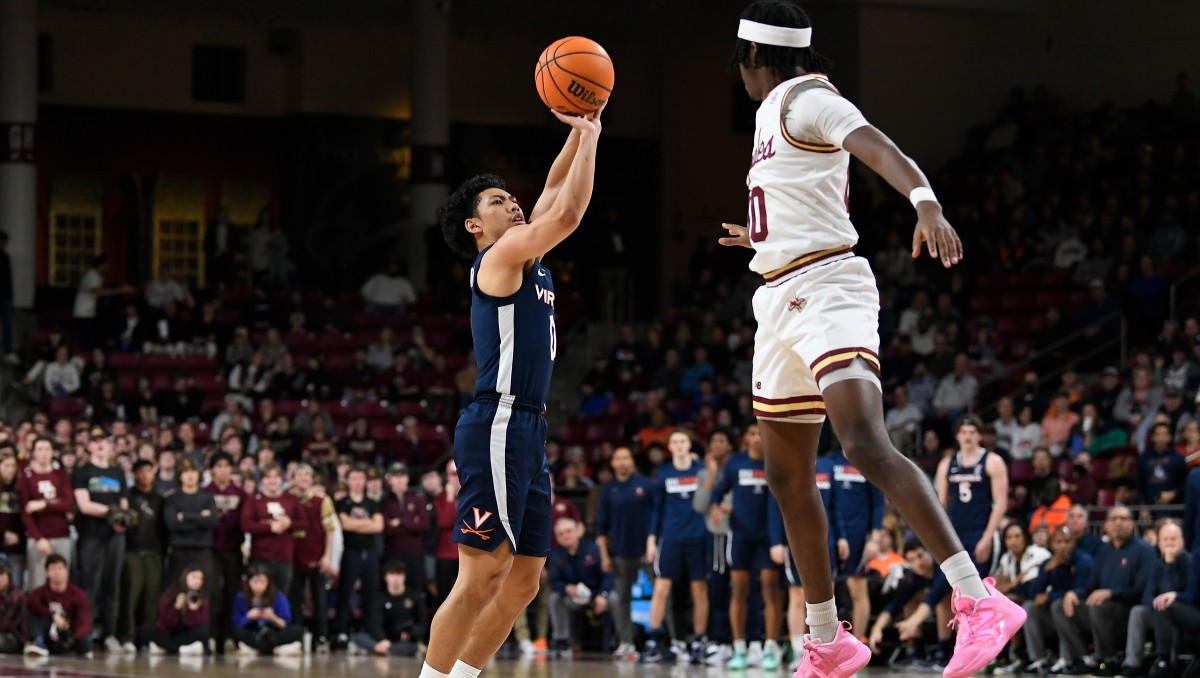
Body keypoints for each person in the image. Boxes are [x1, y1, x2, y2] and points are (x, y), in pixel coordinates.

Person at [719, 3, 1023, 677]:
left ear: (752, 60)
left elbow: (879, 146)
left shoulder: (809, 99)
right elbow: (802, 191)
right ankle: (828, 640)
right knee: (785, 474)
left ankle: (979, 601)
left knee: (862, 441)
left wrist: (925, 202)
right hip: (777, 294)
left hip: (828, 287)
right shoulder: (772, 115)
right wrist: (761, 237)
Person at [420, 99, 604, 678]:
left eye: (509, 195)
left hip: (528, 426)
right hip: (497, 421)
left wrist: (577, 132)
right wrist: (595, 136)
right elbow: (569, 211)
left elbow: (552, 187)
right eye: (497, 201)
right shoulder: (499, 257)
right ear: (476, 225)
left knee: (523, 581)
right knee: (481, 575)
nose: (513, 202)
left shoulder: (528, 253)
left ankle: (465, 676)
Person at [711, 425, 784, 670]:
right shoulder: (735, 464)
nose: (756, 438)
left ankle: (770, 647)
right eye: (752, 434)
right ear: (746, 438)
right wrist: (715, 508)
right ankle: (739, 648)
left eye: (761, 434)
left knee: (769, 587)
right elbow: (717, 493)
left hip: (767, 536)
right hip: (740, 535)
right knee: (739, 590)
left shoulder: (775, 463)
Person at [1057, 505, 1156, 677]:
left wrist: (1111, 593)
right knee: (1059, 606)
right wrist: (1074, 593)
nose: (1118, 522)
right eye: (1113, 519)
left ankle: (1108, 659)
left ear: (1132, 524)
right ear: (1106, 525)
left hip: (1129, 611)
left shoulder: (1144, 550)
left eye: (1123, 518)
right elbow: (1091, 587)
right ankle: (1085, 658)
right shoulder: (1103, 551)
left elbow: (1142, 590)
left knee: (1098, 606)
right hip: (1101, 612)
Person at [644, 430, 709, 663]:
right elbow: (656, 510)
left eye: (683, 441)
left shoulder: (702, 470)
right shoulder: (664, 474)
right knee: (661, 588)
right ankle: (653, 639)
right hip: (670, 538)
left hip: (699, 537)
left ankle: (699, 639)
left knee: (698, 589)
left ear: (689, 444)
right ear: (670, 447)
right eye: (675, 442)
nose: (679, 445)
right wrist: (652, 540)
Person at [594, 445, 653, 660]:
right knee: (621, 599)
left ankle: (660, 640)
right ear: (612, 463)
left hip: (647, 551)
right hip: (620, 552)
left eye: (626, 457)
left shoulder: (646, 485)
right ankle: (626, 642)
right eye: (618, 458)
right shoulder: (608, 490)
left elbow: (656, 517)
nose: (622, 462)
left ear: (633, 462)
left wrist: (653, 544)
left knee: (663, 594)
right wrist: (604, 555)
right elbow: (601, 527)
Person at [72, 433, 129, 651]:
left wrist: (120, 518)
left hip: (115, 536)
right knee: (90, 586)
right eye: (95, 442)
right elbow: (85, 506)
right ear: (89, 446)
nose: (100, 445)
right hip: (91, 536)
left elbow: (123, 504)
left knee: (112, 585)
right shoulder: (83, 472)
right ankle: (86, 632)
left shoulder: (118, 472)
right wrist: (112, 512)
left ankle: (110, 633)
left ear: (110, 445)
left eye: (104, 441)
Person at [1126, 522, 1189, 676]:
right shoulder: (1156, 565)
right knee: (1138, 611)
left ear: (1182, 541)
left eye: (1173, 539)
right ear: (1159, 543)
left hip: (1183, 612)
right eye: (1165, 540)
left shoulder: (1190, 562)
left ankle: (1169, 662)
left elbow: (1188, 593)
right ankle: (1132, 664)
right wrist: (1157, 603)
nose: (1169, 543)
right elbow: (1147, 595)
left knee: (1167, 610)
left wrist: (1169, 564)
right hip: (1158, 611)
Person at [547, 516, 611, 658]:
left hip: (596, 594)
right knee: (555, 598)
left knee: (615, 599)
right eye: (560, 534)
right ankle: (561, 641)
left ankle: (621, 643)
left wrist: (603, 594)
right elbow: (554, 581)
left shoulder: (593, 549)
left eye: (568, 531)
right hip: (573, 597)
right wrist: (567, 588)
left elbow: (607, 575)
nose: (565, 536)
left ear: (577, 531)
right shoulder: (557, 555)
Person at [118, 459, 165, 654]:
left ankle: (147, 638)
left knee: (151, 598)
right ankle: (128, 637)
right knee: (130, 596)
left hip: (154, 553)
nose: (145, 475)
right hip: (132, 552)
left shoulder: (160, 499)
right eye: (141, 471)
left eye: (149, 471)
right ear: (134, 474)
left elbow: (164, 528)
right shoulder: (127, 496)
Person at [289, 463, 336, 653]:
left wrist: (327, 556)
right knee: (295, 599)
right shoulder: (288, 498)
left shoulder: (322, 500)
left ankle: (321, 638)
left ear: (312, 479)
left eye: (306, 475)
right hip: (293, 556)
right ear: (293, 479)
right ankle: (297, 637)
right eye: (299, 475)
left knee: (320, 600)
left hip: (316, 555)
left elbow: (331, 530)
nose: (303, 478)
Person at [335, 464, 383, 645]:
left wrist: (355, 523)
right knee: (345, 592)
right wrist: (366, 523)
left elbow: (378, 526)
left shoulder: (372, 503)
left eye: (360, 478)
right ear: (347, 481)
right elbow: (344, 525)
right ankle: (341, 631)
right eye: (353, 478)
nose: (357, 482)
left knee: (370, 593)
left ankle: (368, 631)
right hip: (349, 552)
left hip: (369, 553)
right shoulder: (342, 503)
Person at [241, 464, 306, 596]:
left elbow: (304, 523)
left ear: (281, 479)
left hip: (284, 558)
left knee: (281, 597)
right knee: (258, 597)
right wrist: (270, 527)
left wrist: (289, 523)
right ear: (262, 480)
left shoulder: (291, 499)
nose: (272, 480)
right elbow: (245, 524)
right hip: (260, 558)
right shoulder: (254, 500)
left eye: (275, 476)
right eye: (268, 477)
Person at [18, 438, 74, 590]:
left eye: (47, 449)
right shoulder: (26, 477)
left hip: (62, 535)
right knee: (37, 585)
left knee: (61, 584)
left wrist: (43, 504)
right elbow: (26, 512)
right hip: (38, 538)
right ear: (34, 453)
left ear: (52, 452)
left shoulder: (61, 475)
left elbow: (68, 504)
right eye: (40, 449)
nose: (43, 453)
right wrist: (38, 538)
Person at [204, 452, 246, 653]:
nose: (222, 469)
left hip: (234, 550)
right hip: (210, 550)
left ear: (232, 469)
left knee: (233, 594)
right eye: (218, 465)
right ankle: (210, 636)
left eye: (226, 465)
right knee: (211, 593)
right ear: (211, 469)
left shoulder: (240, 493)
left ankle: (229, 636)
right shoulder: (205, 492)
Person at [350, 560, 427, 657]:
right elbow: (374, 623)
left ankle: (383, 650)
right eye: (392, 574)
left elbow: (422, 623)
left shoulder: (415, 598)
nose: (395, 578)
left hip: (404, 640)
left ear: (404, 577)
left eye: (399, 574)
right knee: (358, 637)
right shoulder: (379, 599)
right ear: (385, 577)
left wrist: (412, 632)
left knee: (412, 646)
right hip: (383, 639)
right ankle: (382, 648)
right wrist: (382, 640)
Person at [163, 460, 218, 592]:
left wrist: (185, 516)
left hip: (203, 551)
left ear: (199, 475)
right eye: (186, 471)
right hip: (179, 551)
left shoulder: (207, 497)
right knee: (176, 590)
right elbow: (172, 524)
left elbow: (212, 521)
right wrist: (200, 517)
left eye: (193, 471)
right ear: (180, 475)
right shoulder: (172, 498)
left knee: (206, 591)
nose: (190, 475)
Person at [24, 554, 91, 657]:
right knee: (35, 616)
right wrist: (53, 615)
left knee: (85, 641)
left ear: (66, 570)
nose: (57, 572)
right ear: (47, 573)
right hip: (48, 632)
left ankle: (68, 648)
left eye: (60, 568)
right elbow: (31, 604)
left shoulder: (78, 594)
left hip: (68, 633)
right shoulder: (40, 592)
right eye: (53, 569)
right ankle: (38, 642)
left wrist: (73, 638)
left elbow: (85, 621)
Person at [231, 564, 303, 656]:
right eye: (255, 582)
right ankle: (274, 649)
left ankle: (259, 649)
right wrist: (248, 617)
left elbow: (285, 624)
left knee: (297, 630)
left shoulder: (278, 597)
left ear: (268, 582)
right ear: (248, 582)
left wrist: (272, 617)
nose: (258, 586)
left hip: (273, 633)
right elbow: (236, 623)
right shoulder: (240, 597)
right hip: (254, 634)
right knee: (236, 631)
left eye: (262, 582)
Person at [140, 566, 208, 656]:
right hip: (168, 633)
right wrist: (176, 608)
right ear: (185, 577)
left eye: (200, 579)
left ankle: (168, 648)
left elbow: (200, 623)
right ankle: (177, 648)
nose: (198, 582)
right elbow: (164, 623)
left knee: (203, 631)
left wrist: (193, 610)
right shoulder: (172, 591)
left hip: (185, 634)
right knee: (145, 630)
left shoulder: (203, 596)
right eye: (194, 577)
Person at [0, 452, 26, 591]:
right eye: (6, 465)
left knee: (17, 590)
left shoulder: (21, 488)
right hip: (1, 545)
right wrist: (3, 534)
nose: (11, 469)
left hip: (18, 547)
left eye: (13, 466)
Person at [0, 560, 26, 653]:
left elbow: (5, 624)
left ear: (9, 576)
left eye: (2, 575)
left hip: (13, 637)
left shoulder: (16, 596)